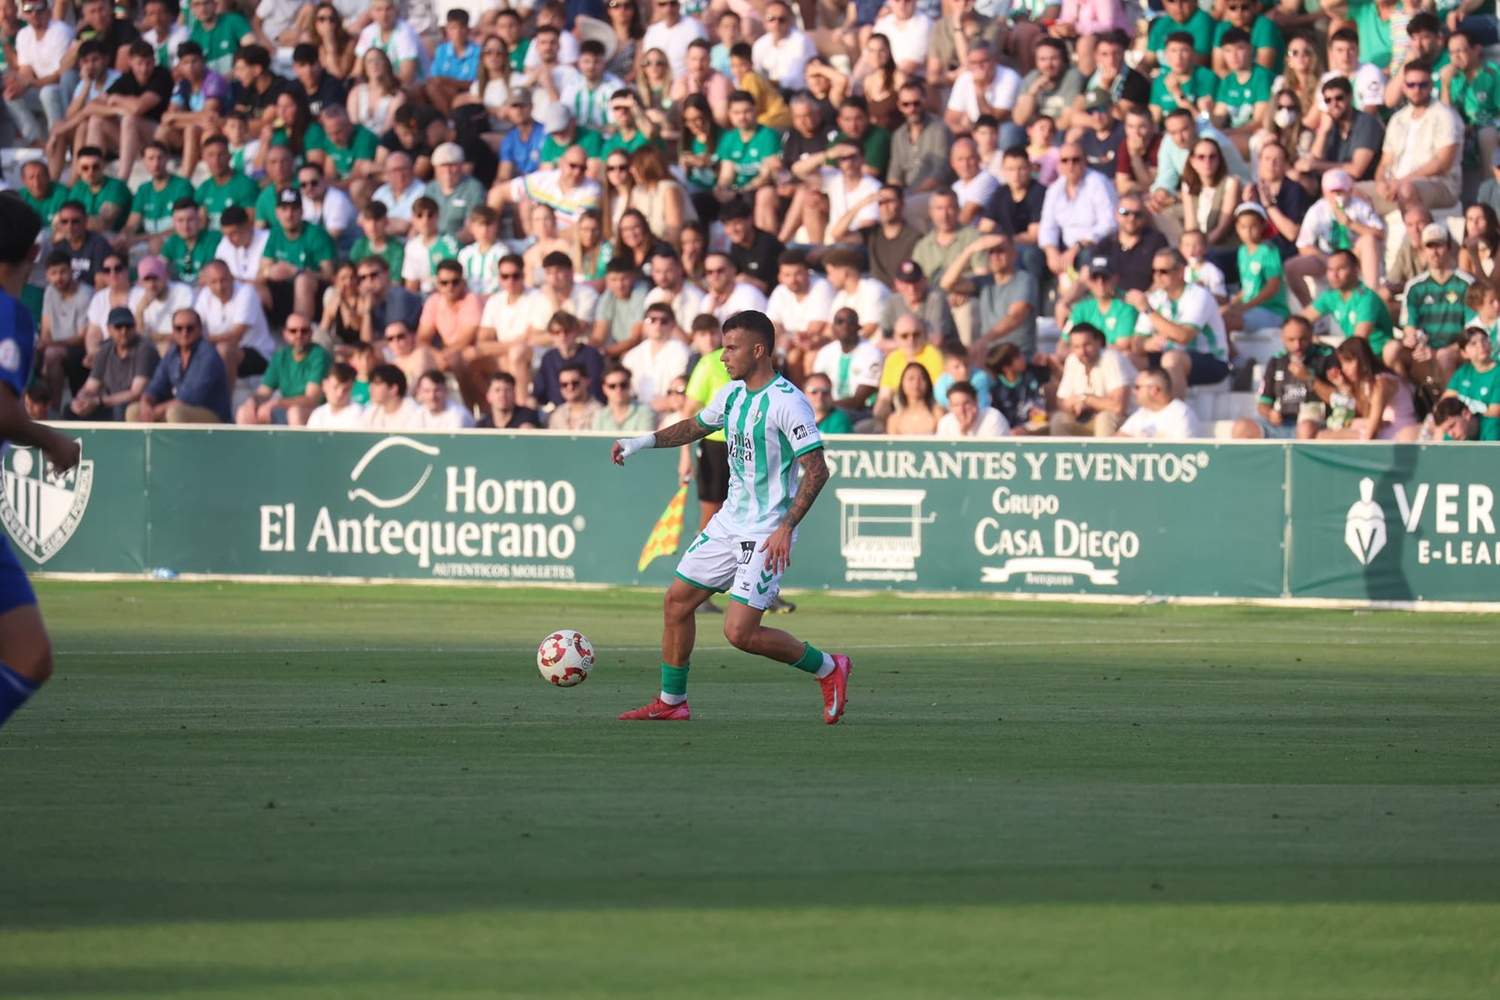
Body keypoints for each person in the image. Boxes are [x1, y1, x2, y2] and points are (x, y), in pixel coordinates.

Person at [610, 309, 849, 724]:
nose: (723, 357)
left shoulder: (788, 402)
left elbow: (818, 470)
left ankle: (829, 668)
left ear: (759, 350)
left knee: (740, 633)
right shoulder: (732, 395)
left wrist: (785, 528)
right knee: (676, 604)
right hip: (727, 524)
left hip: (766, 531)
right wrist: (641, 442)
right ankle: (672, 702)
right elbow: (694, 428)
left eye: (731, 348)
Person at [0, 193, 83, 732]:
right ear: (34, 251)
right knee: (29, 654)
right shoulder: (10, 313)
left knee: (30, 653)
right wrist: (51, 441)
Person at [1232, 316, 1334, 440]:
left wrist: (1309, 378)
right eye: (1291, 340)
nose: (1297, 345)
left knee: (1305, 428)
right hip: (1283, 424)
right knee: (1241, 428)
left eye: (1303, 339)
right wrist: (1270, 414)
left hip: (1316, 425)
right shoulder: (1276, 361)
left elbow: (1338, 399)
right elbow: (1263, 403)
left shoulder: (1326, 357)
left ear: (1311, 336)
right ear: (1282, 338)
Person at [129, 308, 232, 423]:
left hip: (212, 416)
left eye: (190, 328)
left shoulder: (208, 355)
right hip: (180, 409)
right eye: (179, 328)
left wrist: (155, 412)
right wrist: (145, 403)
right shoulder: (172, 353)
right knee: (134, 411)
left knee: (176, 412)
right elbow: (156, 386)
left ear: (199, 329)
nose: (184, 333)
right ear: (173, 331)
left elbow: (190, 397)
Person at [1314, 336, 1420, 442]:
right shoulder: (1368, 383)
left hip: (1398, 432)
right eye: (1342, 364)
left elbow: (1372, 430)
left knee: (1323, 436)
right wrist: (1344, 388)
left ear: (1362, 360)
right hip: (1385, 429)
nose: (1344, 369)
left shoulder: (1382, 383)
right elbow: (1364, 414)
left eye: (1348, 362)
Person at [235, 315, 330, 426]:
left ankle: (298, 444)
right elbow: (264, 392)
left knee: (295, 413)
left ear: (311, 333)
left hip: (316, 412)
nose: (299, 335)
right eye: (293, 331)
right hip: (285, 409)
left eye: (304, 331)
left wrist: (277, 403)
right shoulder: (281, 356)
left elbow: (311, 399)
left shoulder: (319, 355)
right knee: (244, 412)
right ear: (285, 334)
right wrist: (252, 401)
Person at [1050, 322, 1133, 437]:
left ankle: (1103, 455)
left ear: (1098, 342)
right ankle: (1063, 455)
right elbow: (1061, 402)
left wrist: (1085, 400)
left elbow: (1118, 407)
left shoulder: (1112, 359)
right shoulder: (1072, 360)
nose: (1082, 351)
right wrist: (1074, 405)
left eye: (1087, 345)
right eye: (1076, 347)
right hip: (1088, 420)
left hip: (1129, 422)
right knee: (1059, 420)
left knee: (1105, 418)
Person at [1441, 327, 1500, 441]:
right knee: (1444, 432)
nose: (1481, 346)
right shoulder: (1462, 372)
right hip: (1464, 425)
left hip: (1488, 430)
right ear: (1464, 353)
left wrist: (1463, 415)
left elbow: (1495, 412)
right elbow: (1445, 403)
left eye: (1484, 340)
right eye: (1473, 343)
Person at [1118, 367, 1201, 439]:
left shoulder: (1181, 414)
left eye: (1137, 387)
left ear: (1154, 390)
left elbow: (1182, 451)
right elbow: (1116, 442)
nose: (1134, 392)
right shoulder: (1142, 413)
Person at [593, 364, 656, 431]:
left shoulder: (645, 412)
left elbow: (644, 441)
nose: (618, 390)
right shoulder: (600, 416)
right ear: (604, 388)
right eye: (612, 386)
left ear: (630, 385)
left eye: (623, 385)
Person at [361, 363, 422, 430]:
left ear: (393, 389)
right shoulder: (372, 411)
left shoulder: (415, 413)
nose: (370, 389)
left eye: (377, 384)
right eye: (370, 384)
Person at [936, 380, 1008, 436]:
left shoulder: (992, 418)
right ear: (950, 407)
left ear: (976, 401)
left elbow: (992, 451)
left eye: (966, 403)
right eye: (956, 405)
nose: (962, 410)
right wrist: (963, 433)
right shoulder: (945, 423)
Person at [305, 363, 366, 429]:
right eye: (335, 387)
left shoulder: (360, 413)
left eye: (345, 389)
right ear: (325, 385)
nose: (339, 393)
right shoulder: (317, 414)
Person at [475, 372, 542, 429]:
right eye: (497, 390)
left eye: (507, 390)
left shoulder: (528, 417)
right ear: (488, 396)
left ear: (514, 394)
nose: (502, 395)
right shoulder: (482, 426)